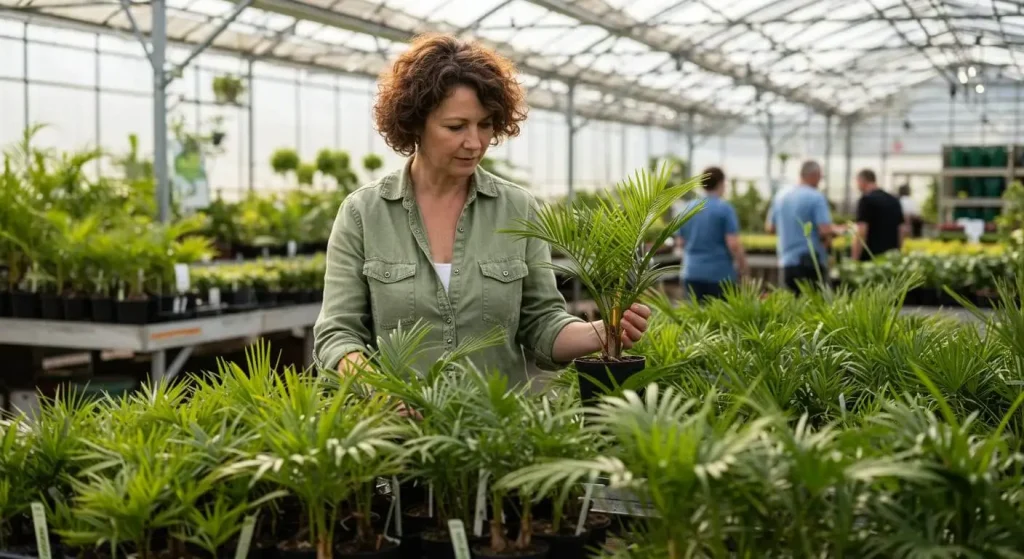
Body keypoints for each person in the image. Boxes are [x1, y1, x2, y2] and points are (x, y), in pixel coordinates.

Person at [312, 33, 650, 385]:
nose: (474, 143)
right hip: (396, 430)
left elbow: (542, 323)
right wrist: (380, 390)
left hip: (496, 429)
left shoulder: (516, 208)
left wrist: (601, 332)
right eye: (455, 127)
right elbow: (337, 334)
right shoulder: (364, 213)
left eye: (485, 124)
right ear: (415, 123)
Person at [675, 166, 749, 302]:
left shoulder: (687, 208)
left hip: (691, 272)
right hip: (719, 275)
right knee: (720, 320)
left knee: (694, 319)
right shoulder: (724, 209)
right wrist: (743, 267)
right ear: (721, 183)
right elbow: (733, 244)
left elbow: (680, 242)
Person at [766, 160, 835, 293]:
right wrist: (838, 231)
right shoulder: (816, 197)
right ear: (814, 175)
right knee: (813, 308)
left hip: (786, 263)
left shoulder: (781, 196)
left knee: (791, 307)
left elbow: (770, 228)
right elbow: (824, 230)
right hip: (810, 264)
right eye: (820, 177)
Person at [851, 169, 906, 262]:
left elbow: (861, 232)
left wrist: (854, 260)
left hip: (870, 259)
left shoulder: (865, 200)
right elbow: (901, 230)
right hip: (890, 259)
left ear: (862, 181)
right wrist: (898, 253)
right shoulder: (894, 200)